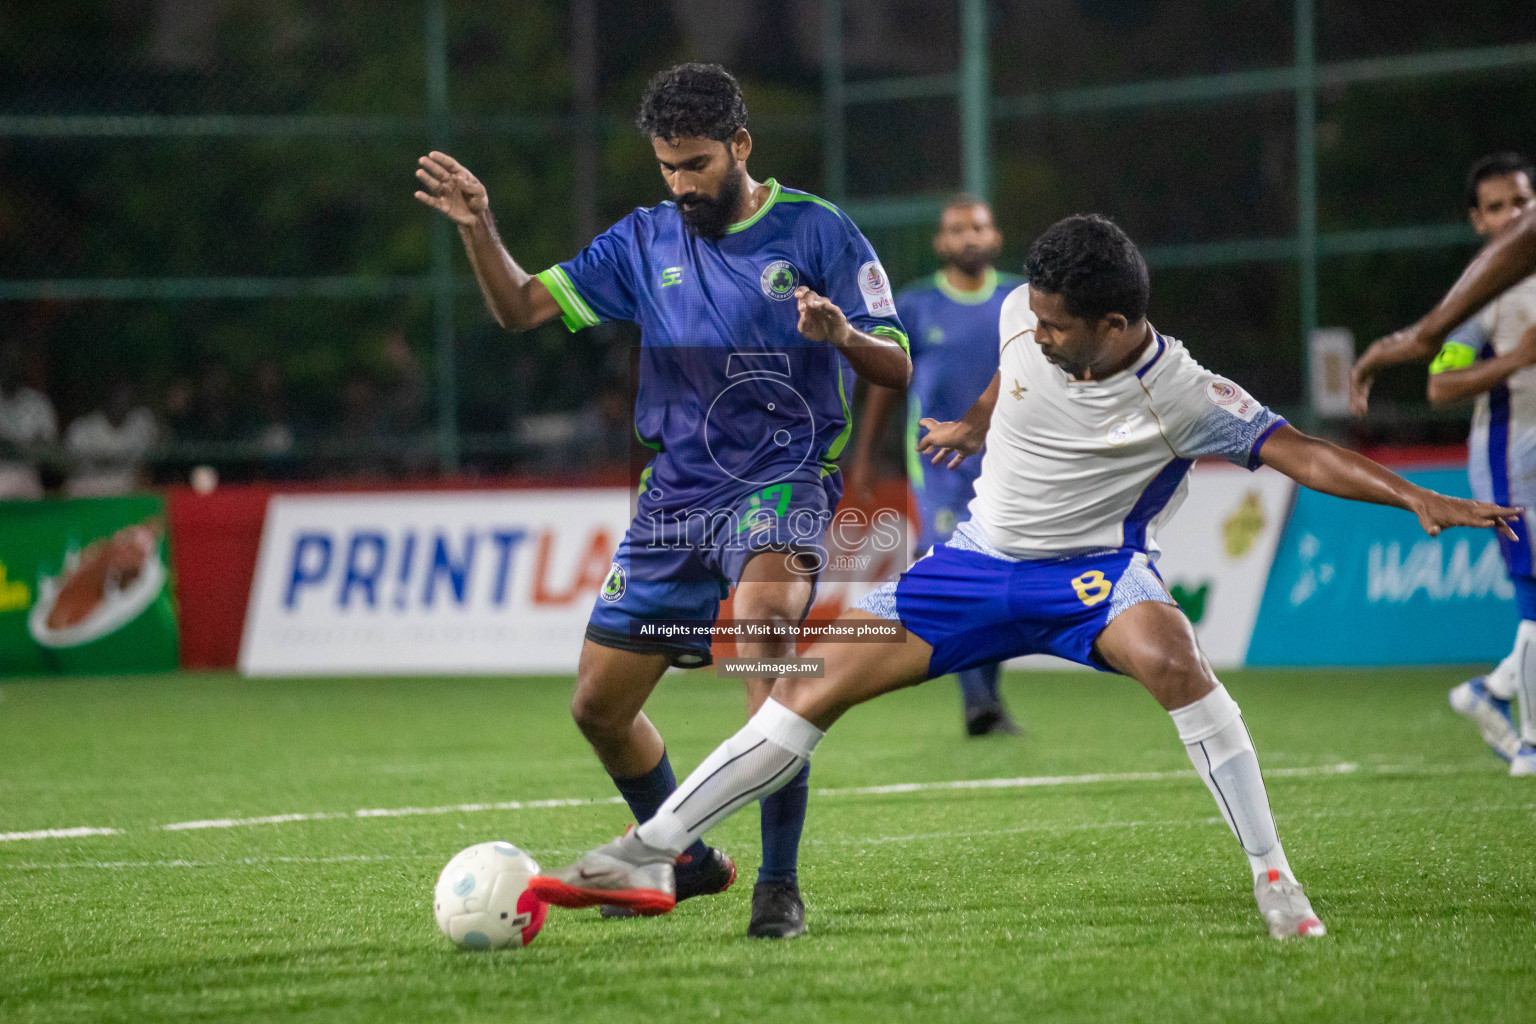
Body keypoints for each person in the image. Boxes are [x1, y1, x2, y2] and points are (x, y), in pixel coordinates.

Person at [529, 215, 1520, 940]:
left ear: (1116, 321)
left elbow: (1299, 450)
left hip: (1091, 578)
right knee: (806, 689)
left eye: (1059, 325)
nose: (1038, 330)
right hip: (968, 569)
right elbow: (1015, 364)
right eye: (1034, 315)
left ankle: (1276, 881)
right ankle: (652, 845)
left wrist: (1413, 497)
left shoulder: (1184, 391)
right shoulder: (1021, 314)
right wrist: (973, 420)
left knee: (1177, 662)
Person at [413, 63, 910, 939]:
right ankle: (689, 862)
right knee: (599, 707)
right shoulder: (642, 241)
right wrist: (481, 230)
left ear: (740, 147)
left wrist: (843, 334)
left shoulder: (820, 230)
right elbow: (524, 307)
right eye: (667, 168)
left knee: (764, 638)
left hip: (782, 481)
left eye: (696, 165)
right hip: (676, 498)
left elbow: (896, 363)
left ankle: (779, 887)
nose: (681, 185)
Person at [1349, 152, 1536, 775]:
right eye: (1498, 206)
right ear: (1477, 221)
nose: (1514, 214)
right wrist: (1512, 362)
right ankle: (1531, 742)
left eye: (1522, 200)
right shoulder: (1488, 291)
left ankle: (1492, 692)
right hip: (1512, 454)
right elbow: (1439, 383)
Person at [848, 195, 1024, 737]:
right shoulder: (917, 305)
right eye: (956, 229)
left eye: (978, 227)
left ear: (995, 236)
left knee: (1002, 582)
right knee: (957, 577)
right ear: (940, 243)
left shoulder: (1022, 300)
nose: (968, 237)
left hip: (1013, 463)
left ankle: (985, 698)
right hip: (940, 468)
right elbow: (887, 383)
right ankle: (978, 701)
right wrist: (864, 454)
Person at [64, 378, 159, 497]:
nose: (121, 403)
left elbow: (151, 461)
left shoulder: (141, 425)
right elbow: (67, 468)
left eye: (126, 398)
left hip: (127, 492)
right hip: (89, 491)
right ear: (106, 399)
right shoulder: (82, 428)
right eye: (117, 397)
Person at [0, 342, 57, 499]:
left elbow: (49, 450)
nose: (13, 369)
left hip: (29, 478)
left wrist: (11, 445)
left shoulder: (39, 403)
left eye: (17, 364)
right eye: (8, 363)